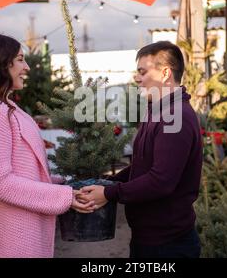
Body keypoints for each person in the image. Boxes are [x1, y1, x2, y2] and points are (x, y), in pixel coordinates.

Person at [0, 34, 94, 258]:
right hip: (17, 236)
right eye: (20, 59)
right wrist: (64, 197)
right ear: (1, 64)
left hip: (25, 229)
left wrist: (64, 184)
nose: (27, 67)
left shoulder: (5, 107)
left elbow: (24, 171)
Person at [80, 41, 203, 258]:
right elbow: (142, 166)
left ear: (165, 73)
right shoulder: (157, 112)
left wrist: (109, 194)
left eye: (143, 72)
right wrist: (106, 183)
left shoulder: (176, 117)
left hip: (167, 246)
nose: (137, 78)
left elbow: (161, 181)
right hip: (148, 239)